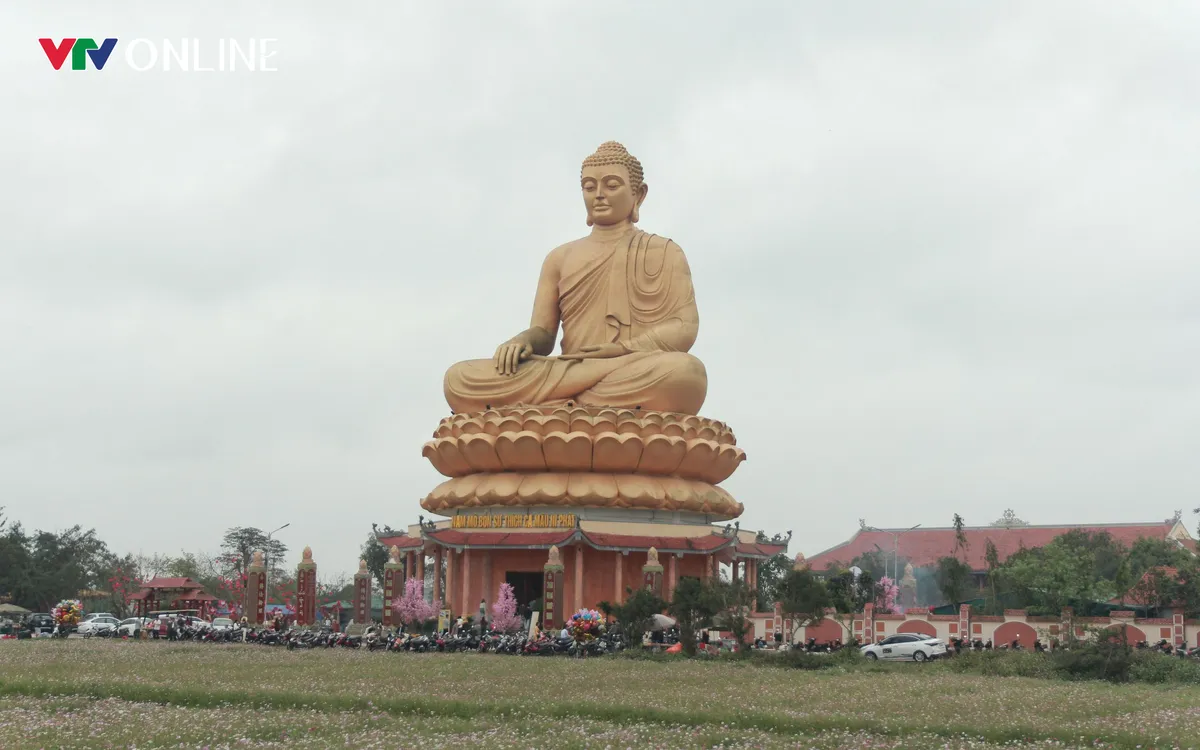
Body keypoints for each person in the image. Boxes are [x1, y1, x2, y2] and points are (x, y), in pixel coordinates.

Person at [443, 141, 708, 415]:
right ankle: (580, 398)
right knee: (458, 378)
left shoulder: (664, 251)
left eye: (612, 185)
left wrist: (621, 350)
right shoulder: (560, 257)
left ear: (638, 195)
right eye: (589, 187)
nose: (599, 195)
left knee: (686, 372)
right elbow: (544, 334)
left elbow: (684, 326)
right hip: (569, 369)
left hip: (629, 366)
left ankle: (559, 403)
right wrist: (523, 341)